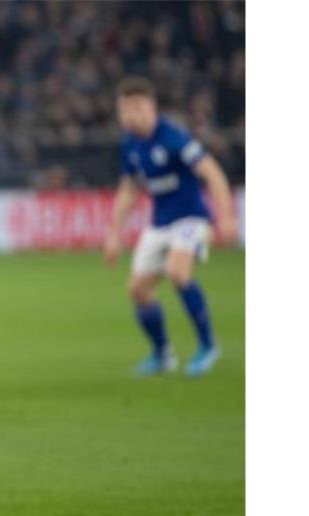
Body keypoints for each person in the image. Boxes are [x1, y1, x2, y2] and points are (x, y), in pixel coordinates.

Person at [103, 77, 238, 377]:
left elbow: (213, 173)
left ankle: (208, 345)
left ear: (151, 107)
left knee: (178, 273)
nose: (129, 116)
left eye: (136, 108)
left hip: (192, 218)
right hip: (160, 224)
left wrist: (226, 217)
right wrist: (114, 234)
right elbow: (128, 190)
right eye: (124, 110)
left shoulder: (174, 137)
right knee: (138, 291)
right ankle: (163, 354)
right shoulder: (129, 144)